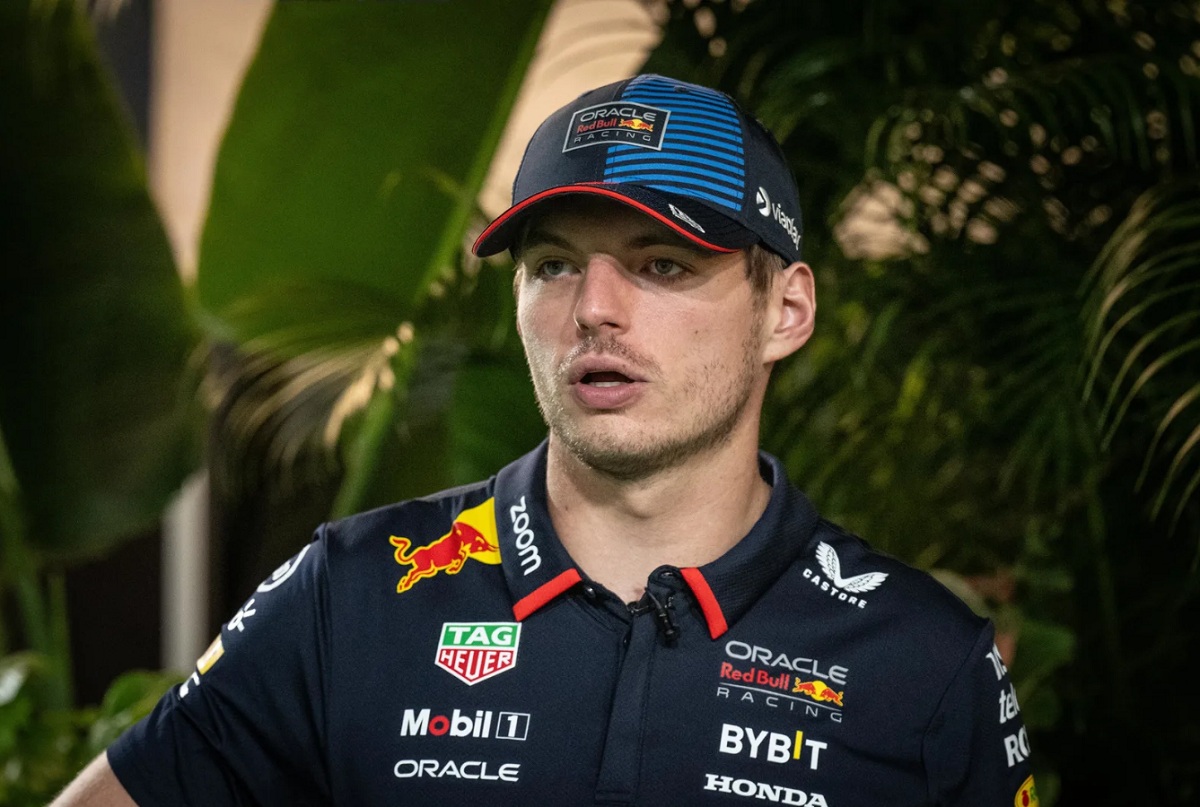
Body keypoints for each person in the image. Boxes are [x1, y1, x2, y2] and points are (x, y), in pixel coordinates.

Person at [53, 73, 1037, 807]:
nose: (595, 310)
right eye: (555, 265)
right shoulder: (352, 595)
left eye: (660, 263)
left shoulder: (922, 663)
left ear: (785, 309)